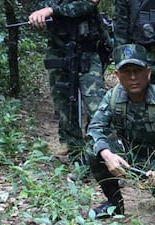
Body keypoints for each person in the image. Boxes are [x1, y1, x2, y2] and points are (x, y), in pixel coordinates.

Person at [86, 44, 155, 219]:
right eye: (127, 72)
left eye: (138, 70)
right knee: (93, 149)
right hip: (130, 156)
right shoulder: (112, 97)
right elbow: (95, 129)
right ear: (117, 76)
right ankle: (114, 204)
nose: (133, 77)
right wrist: (107, 155)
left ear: (148, 73)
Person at [29, 0, 109, 160]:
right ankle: (75, 152)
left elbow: (88, 4)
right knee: (64, 105)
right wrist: (38, 16)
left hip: (88, 50)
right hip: (59, 49)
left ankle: (99, 149)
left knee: (97, 106)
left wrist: (52, 10)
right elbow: (38, 9)